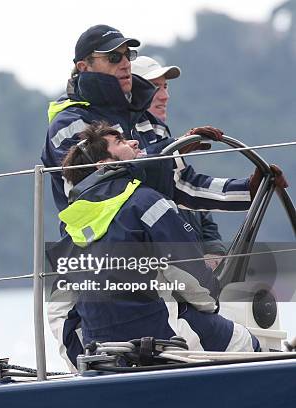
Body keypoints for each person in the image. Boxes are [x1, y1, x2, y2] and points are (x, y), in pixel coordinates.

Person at [42, 24, 287, 370]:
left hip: (153, 267)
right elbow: (93, 182)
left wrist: (248, 188)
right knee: (98, 355)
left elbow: (182, 183)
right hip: (90, 266)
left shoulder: (147, 126)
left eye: (129, 55)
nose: (124, 63)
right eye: (114, 57)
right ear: (84, 67)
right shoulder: (70, 124)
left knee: (209, 331)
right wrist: (167, 151)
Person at [48, 122, 264, 354]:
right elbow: (190, 275)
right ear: (104, 164)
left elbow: (60, 307)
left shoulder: (71, 224)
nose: (135, 141)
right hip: (160, 336)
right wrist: (211, 305)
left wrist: (81, 360)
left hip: (100, 349)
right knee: (245, 342)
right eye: (121, 142)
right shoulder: (146, 202)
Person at [131, 56, 226, 270]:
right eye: (155, 88)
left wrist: (213, 249)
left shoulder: (163, 136)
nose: (165, 96)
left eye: (165, 87)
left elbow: (189, 193)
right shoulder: (123, 138)